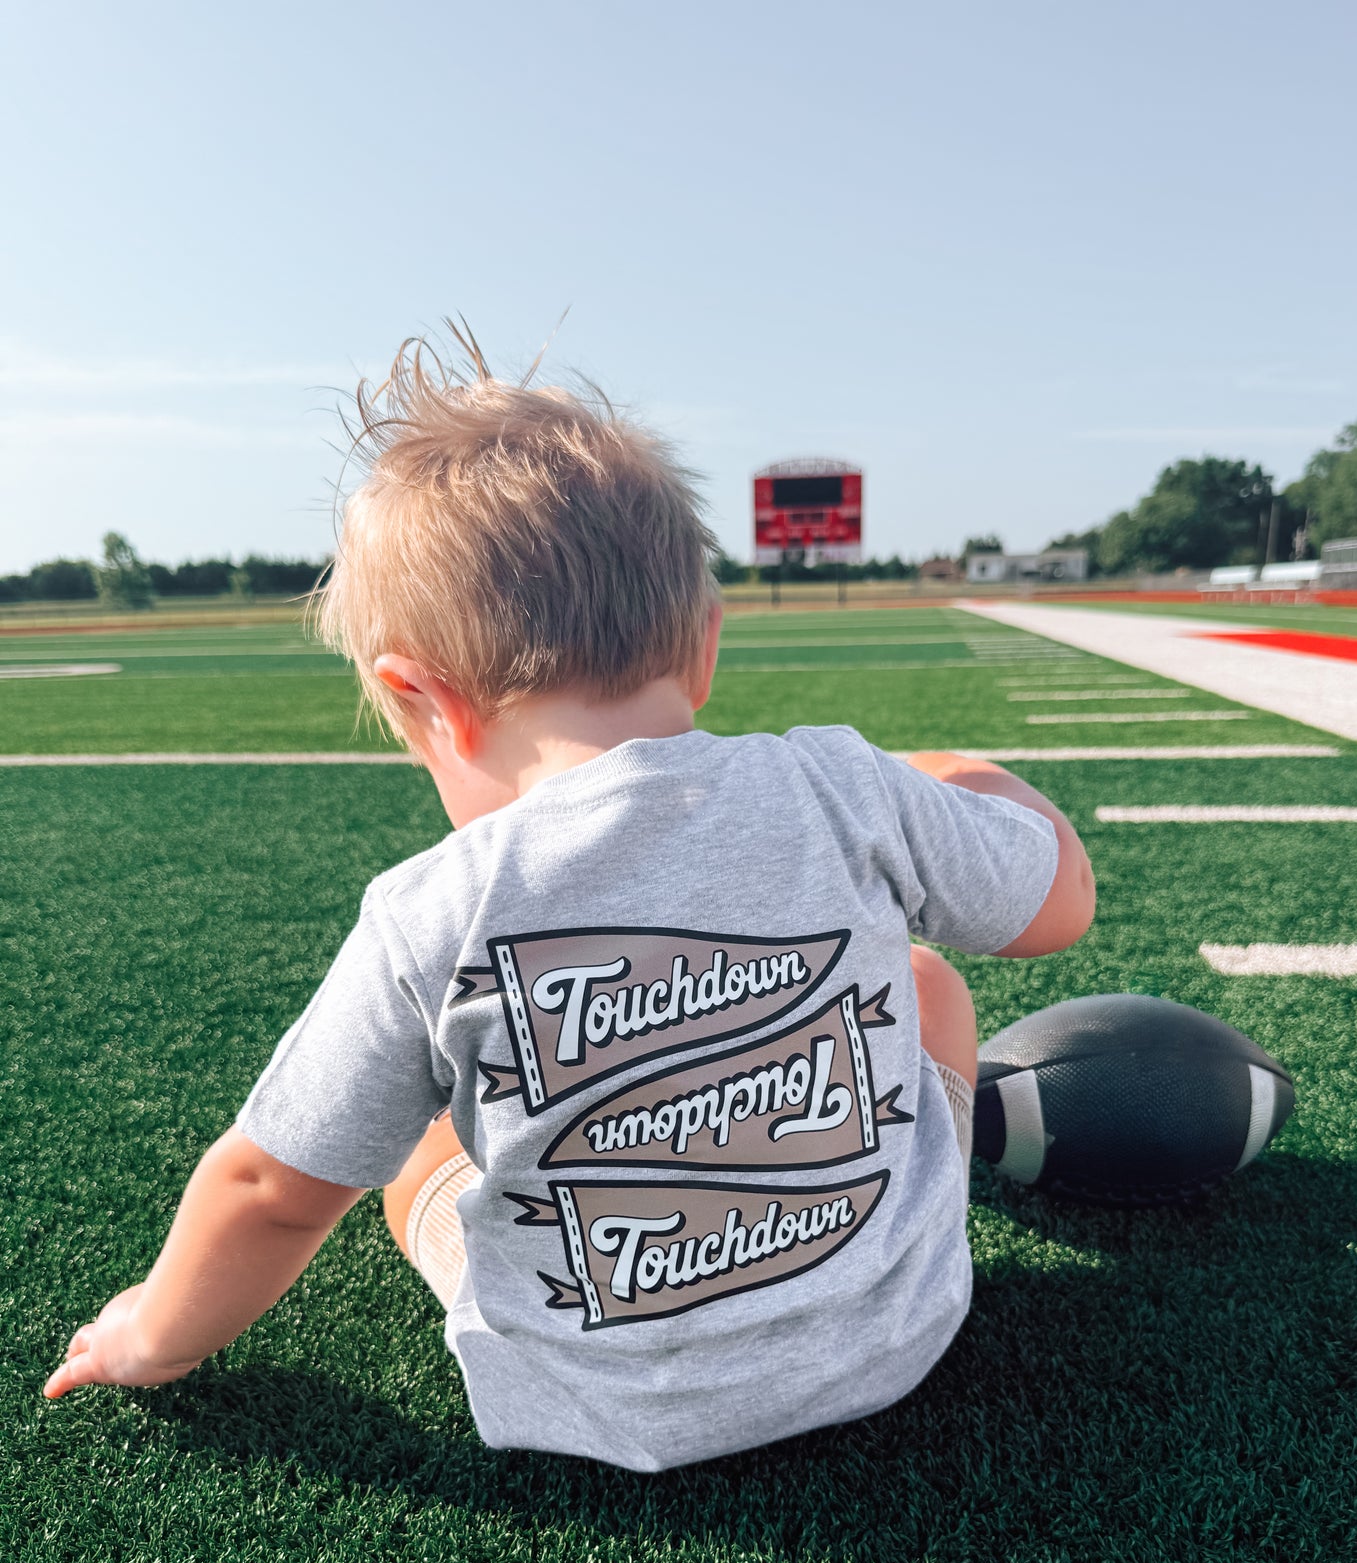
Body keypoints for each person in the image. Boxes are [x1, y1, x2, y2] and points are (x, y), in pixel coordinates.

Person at [44, 336, 1094, 1472]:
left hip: (596, 1408)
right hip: (898, 1341)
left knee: (415, 1153)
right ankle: (871, 1214)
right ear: (703, 647)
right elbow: (1056, 907)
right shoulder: (840, 783)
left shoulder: (432, 908)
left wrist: (149, 1334)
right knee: (930, 985)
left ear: (424, 699)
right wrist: (960, 776)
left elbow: (267, 1189)